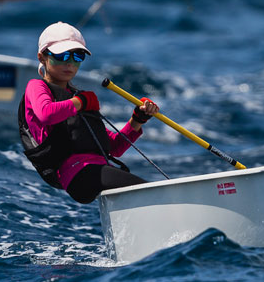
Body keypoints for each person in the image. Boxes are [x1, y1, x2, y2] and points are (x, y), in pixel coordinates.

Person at [18, 22, 159, 203]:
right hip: (78, 173)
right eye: (61, 55)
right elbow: (46, 113)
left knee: (143, 193)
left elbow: (114, 148)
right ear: (42, 57)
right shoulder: (37, 86)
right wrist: (81, 102)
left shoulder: (76, 98)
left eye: (77, 56)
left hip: (97, 170)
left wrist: (138, 120)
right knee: (147, 192)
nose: (69, 63)